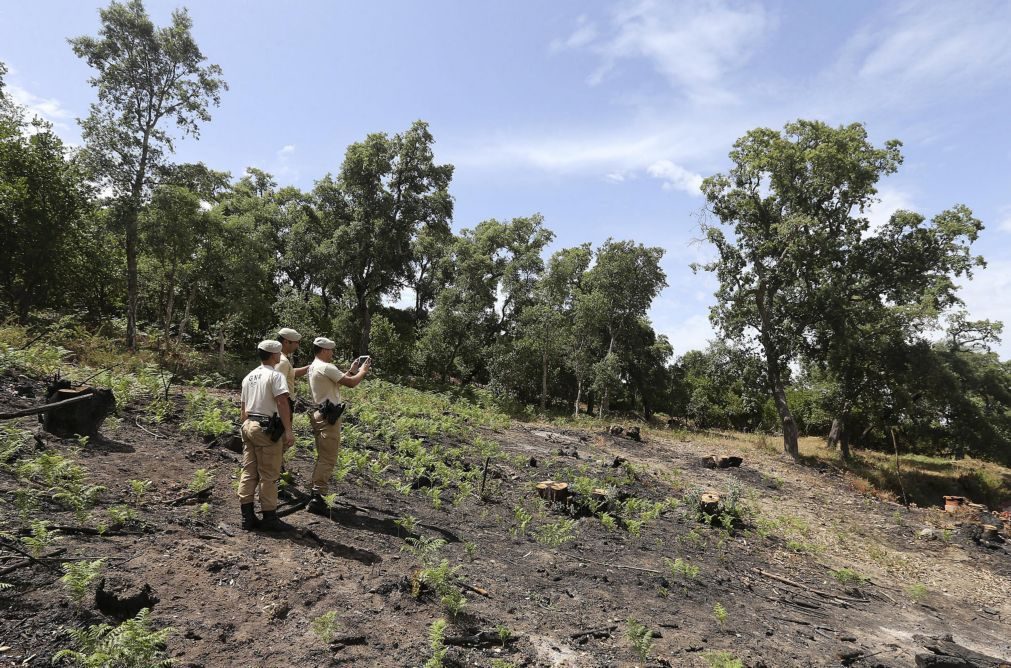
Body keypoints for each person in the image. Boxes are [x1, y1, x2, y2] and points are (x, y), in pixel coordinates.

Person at [305, 337, 371, 514]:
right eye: (331, 350)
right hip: (328, 418)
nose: (332, 353)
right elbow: (351, 383)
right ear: (325, 350)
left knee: (322, 455)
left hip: (320, 413)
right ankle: (317, 497)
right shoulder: (326, 367)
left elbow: (339, 381)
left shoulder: (314, 366)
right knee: (328, 458)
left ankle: (315, 491)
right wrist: (363, 371)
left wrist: (351, 371)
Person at [238, 340, 295, 531]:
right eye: (278, 354)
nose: (280, 356)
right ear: (274, 355)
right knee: (269, 474)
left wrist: (245, 427)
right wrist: (288, 429)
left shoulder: (249, 377)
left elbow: (243, 409)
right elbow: (281, 402)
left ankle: (247, 517)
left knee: (248, 471)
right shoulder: (276, 376)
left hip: (248, 425)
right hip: (266, 428)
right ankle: (269, 517)